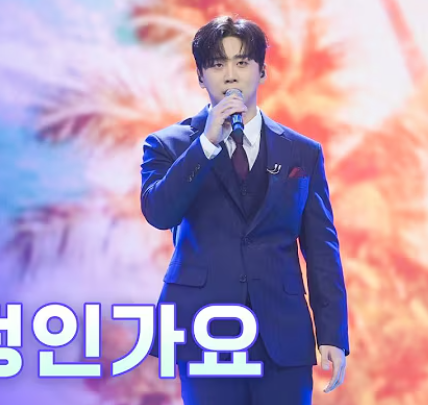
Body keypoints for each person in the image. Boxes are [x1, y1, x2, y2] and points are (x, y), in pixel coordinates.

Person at [139, 15, 349, 405]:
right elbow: (159, 213)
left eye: (242, 62)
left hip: (282, 334)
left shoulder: (302, 152)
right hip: (204, 332)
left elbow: (321, 250)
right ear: (201, 76)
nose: (231, 75)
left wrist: (332, 334)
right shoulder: (167, 145)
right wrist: (206, 145)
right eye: (217, 64)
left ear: (262, 70)